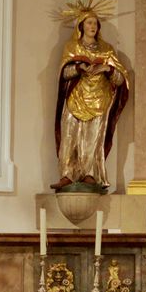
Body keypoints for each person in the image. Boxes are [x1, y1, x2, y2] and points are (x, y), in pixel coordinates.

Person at [51, 11, 129, 190]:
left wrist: (106, 69)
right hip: (75, 98)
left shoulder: (107, 49)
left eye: (95, 23)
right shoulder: (72, 47)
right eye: (89, 23)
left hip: (99, 101)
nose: (92, 26)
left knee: (92, 138)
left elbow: (120, 79)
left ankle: (89, 174)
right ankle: (67, 174)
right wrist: (79, 67)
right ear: (81, 26)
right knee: (69, 136)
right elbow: (63, 73)